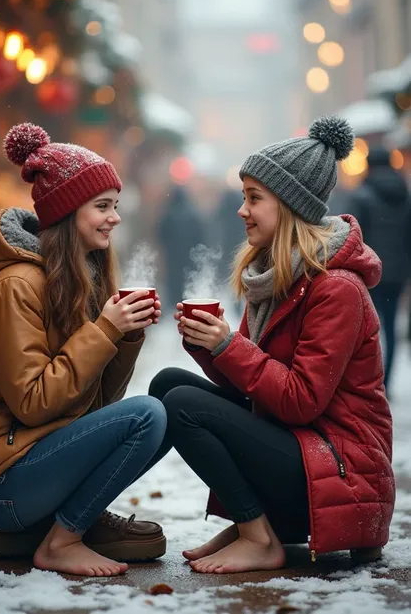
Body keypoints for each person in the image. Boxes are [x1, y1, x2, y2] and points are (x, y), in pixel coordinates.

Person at [147, 116, 394, 574]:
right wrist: (208, 345)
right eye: (243, 197)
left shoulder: (335, 287)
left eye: (254, 198)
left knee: (183, 404)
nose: (242, 210)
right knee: (167, 384)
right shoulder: (279, 277)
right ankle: (253, 525)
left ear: (290, 206)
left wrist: (228, 347)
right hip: (304, 452)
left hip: (341, 473)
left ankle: (259, 536)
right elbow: (251, 386)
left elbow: (300, 400)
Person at [0, 123, 167, 578]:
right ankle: (62, 540)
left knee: (171, 405)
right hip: (3, 482)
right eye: (102, 207)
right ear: (68, 213)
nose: (115, 217)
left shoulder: (77, 278)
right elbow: (33, 403)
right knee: (148, 414)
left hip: (35, 458)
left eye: (116, 206)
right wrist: (104, 329)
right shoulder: (17, 287)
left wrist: (124, 335)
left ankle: (44, 531)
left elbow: (97, 404)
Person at [347, 147, 411, 392]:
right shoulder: (405, 194)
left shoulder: (362, 195)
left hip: (370, 271)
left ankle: (370, 383)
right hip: (398, 272)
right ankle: (388, 382)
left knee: (367, 329)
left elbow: (354, 236)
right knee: (392, 325)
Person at [157, 184, 205, 309]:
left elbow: (161, 234)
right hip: (189, 255)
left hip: (172, 256)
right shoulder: (193, 214)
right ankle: (186, 302)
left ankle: (174, 302)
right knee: (187, 279)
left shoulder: (168, 214)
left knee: (173, 279)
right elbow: (200, 235)